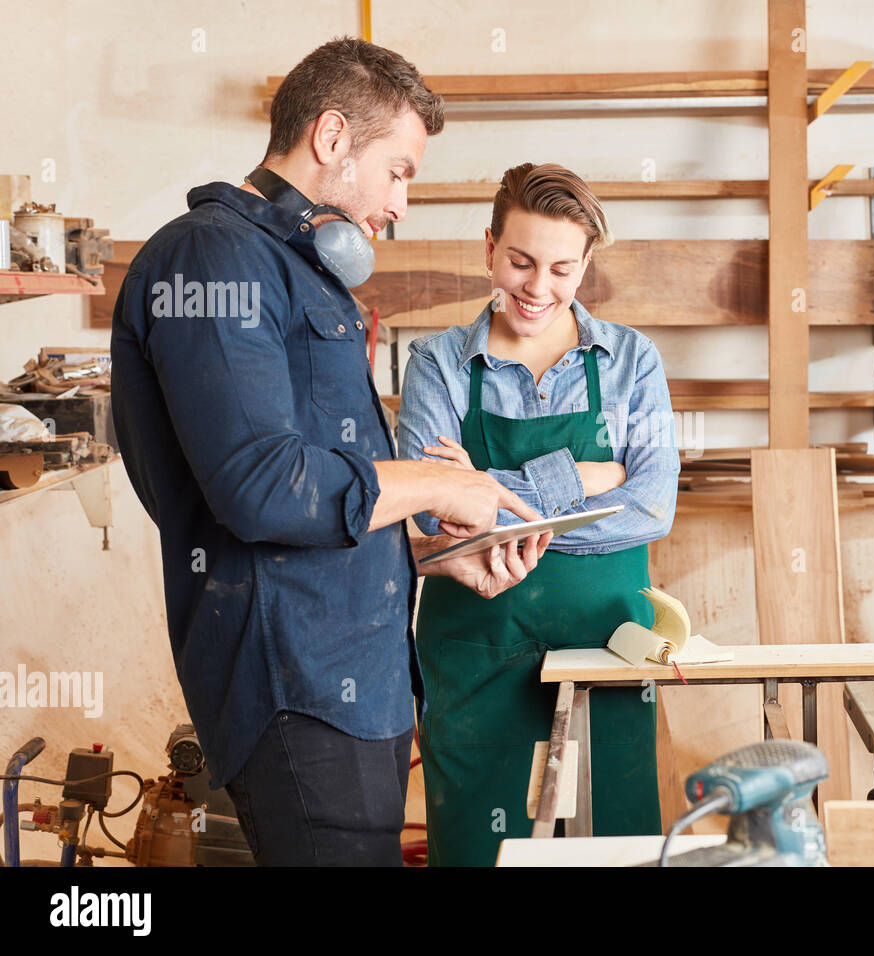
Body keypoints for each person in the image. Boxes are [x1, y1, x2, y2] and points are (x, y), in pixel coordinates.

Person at [111, 38, 550, 866]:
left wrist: (420, 552)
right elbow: (259, 490)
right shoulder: (213, 257)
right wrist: (433, 484)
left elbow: (312, 498)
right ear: (333, 137)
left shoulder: (299, 271)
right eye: (400, 171)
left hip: (353, 678)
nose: (402, 203)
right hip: (295, 684)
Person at [397, 162, 680, 866]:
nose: (537, 287)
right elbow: (433, 520)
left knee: (616, 839)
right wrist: (581, 478)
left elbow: (651, 505)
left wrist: (484, 495)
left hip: (609, 641)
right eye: (520, 262)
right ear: (489, 247)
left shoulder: (631, 362)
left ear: (585, 266)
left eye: (561, 269)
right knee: (477, 844)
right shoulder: (435, 364)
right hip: (475, 644)